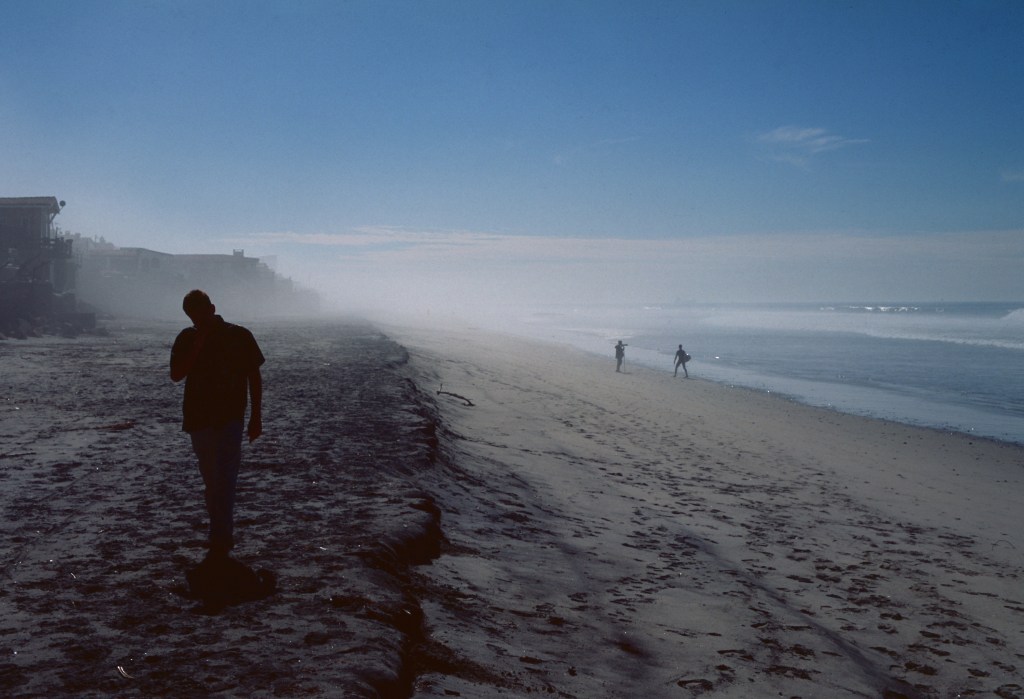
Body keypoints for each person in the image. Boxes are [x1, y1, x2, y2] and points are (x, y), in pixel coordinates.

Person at [170, 290, 264, 560]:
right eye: (193, 318)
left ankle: (220, 536)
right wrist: (196, 347)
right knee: (212, 479)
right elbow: (176, 375)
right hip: (198, 418)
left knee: (225, 478)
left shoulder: (239, 335)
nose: (198, 322)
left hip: (230, 416)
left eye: (201, 316)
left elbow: (254, 377)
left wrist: (256, 416)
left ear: (212, 309)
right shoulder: (187, 337)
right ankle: (219, 532)